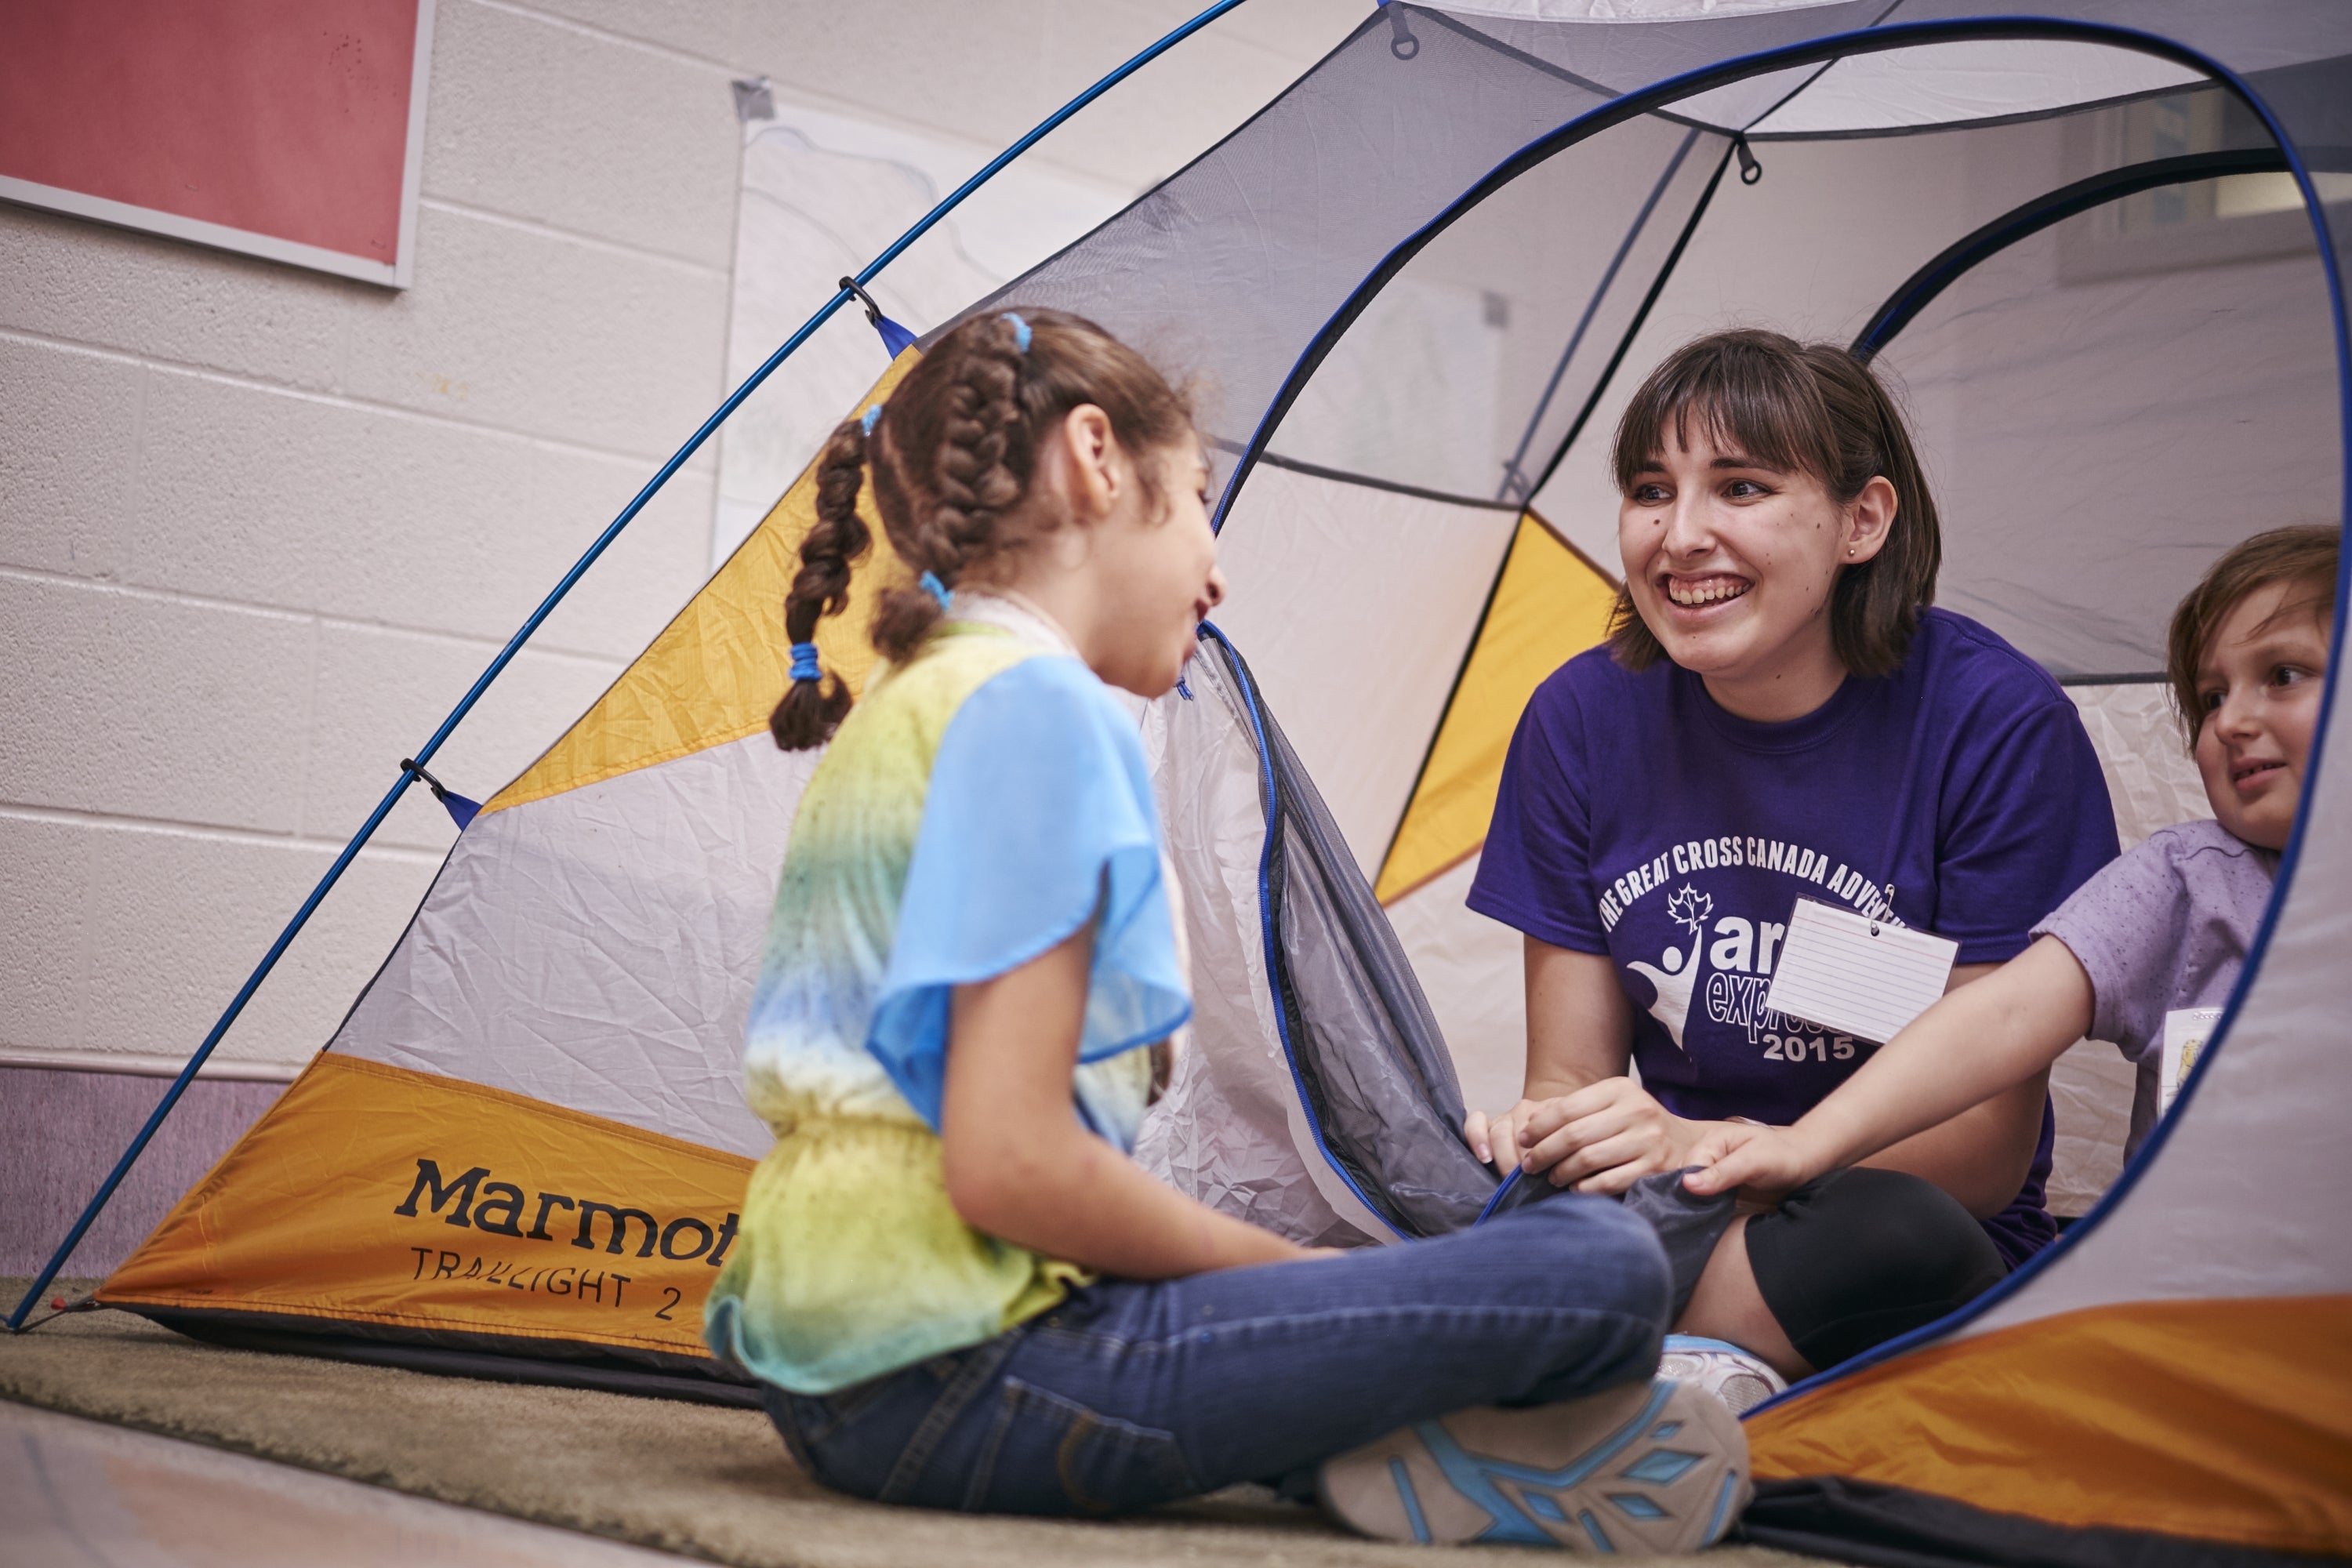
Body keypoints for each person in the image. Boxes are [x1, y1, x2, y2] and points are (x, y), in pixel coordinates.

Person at [702, 307, 1748, 1551]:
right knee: (1600, 1270)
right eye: (1201, 497)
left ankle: (1419, 1450)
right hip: (961, 1379)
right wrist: (1322, 1290)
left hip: (831, 1363)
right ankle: (1436, 1422)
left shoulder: (916, 702)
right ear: (1097, 460)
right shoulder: (1043, 713)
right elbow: (1012, 1169)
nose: (1219, 565)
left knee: (1509, 1274)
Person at [1462, 328, 2119, 1390]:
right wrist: (1547, 1132)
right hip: (1661, 1219)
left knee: (1898, 1238)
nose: (1680, 538)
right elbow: (1570, 1077)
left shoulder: (1996, 724)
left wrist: (1693, 1144)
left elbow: (1986, 1150)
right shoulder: (1580, 717)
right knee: (1442, 1172)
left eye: (1741, 487)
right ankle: (1642, 1369)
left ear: (1864, 519)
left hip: (1871, 1231)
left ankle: (1561, 1360)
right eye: (1648, 488)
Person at [1684, 524, 2336, 1208]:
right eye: (2212, 698)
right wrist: (1805, 1145)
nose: (2230, 722)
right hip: (2196, 1301)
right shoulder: (2186, 884)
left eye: (2282, 676)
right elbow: (2001, 1017)